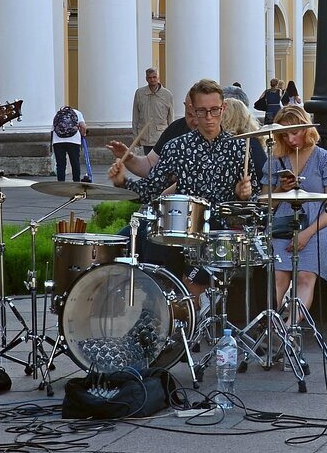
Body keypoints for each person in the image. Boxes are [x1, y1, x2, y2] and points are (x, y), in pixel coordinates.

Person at [108, 78, 256, 296]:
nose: (208, 118)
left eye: (214, 110)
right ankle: (158, 308)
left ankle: (190, 309)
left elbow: (253, 205)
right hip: (183, 227)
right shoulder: (177, 147)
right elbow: (150, 190)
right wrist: (122, 182)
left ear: (223, 109)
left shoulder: (239, 147)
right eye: (202, 111)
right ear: (193, 111)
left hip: (218, 233)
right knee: (149, 240)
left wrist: (246, 194)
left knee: (193, 282)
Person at [261, 105, 327, 322]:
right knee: (278, 277)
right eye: (284, 135)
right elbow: (266, 206)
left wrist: (306, 234)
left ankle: (288, 329)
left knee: (306, 277)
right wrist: (280, 190)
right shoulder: (275, 160)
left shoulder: (324, 158)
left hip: (317, 225)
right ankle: (271, 326)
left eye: (295, 132)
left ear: (306, 129)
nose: (290, 139)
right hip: (283, 223)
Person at [132, 68, 175, 154]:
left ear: (158, 78)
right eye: (149, 77)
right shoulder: (139, 93)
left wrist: (171, 137)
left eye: (154, 77)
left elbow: (171, 118)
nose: (152, 79)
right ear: (146, 78)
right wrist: (135, 136)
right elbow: (135, 116)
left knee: (159, 162)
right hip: (145, 136)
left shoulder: (167, 94)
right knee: (147, 163)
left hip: (161, 136)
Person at [51, 103, 88, 182]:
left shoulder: (57, 114)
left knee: (60, 164)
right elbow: (83, 126)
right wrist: (83, 134)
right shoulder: (77, 113)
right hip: (73, 141)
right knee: (75, 162)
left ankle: (61, 182)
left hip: (58, 141)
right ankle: (76, 181)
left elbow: (53, 128)